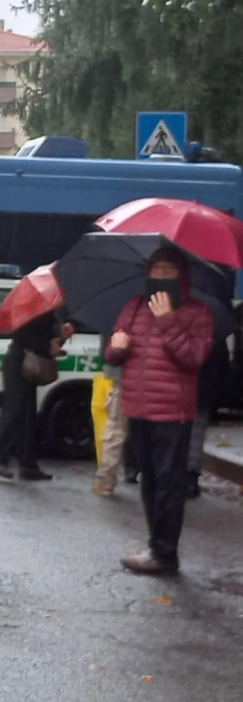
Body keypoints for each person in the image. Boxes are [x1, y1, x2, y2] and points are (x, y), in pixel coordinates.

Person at [105, 246, 213, 575]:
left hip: (172, 414)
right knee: (148, 481)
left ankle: (165, 554)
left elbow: (194, 358)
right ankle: (156, 545)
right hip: (137, 409)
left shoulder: (197, 313)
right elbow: (112, 353)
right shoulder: (134, 307)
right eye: (156, 270)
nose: (161, 276)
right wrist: (116, 348)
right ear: (147, 273)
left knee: (169, 485)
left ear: (181, 275)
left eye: (168, 270)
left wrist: (168, 322)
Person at [0, 312, 73, 481]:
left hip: (30, 364)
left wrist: (62, 335)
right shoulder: (30, 313)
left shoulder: (50, 313)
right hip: (19, 363)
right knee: (13, 411)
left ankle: (28, 464)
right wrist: (48, 346)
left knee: (28, 415)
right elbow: (24, 338)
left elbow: (50, 339)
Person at [186, 339, 229, 498]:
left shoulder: (177, 323)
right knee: (197, 434)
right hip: (203, 389)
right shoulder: (215, 330)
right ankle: (191, 477)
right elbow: (223, 365)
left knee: (178, 433)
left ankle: (180, 475)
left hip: (181, 390)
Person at [91, 365, 132, 497]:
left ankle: (105, 481)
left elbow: (112, 352)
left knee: (115, 429)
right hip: (162, 380)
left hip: (124, 376)